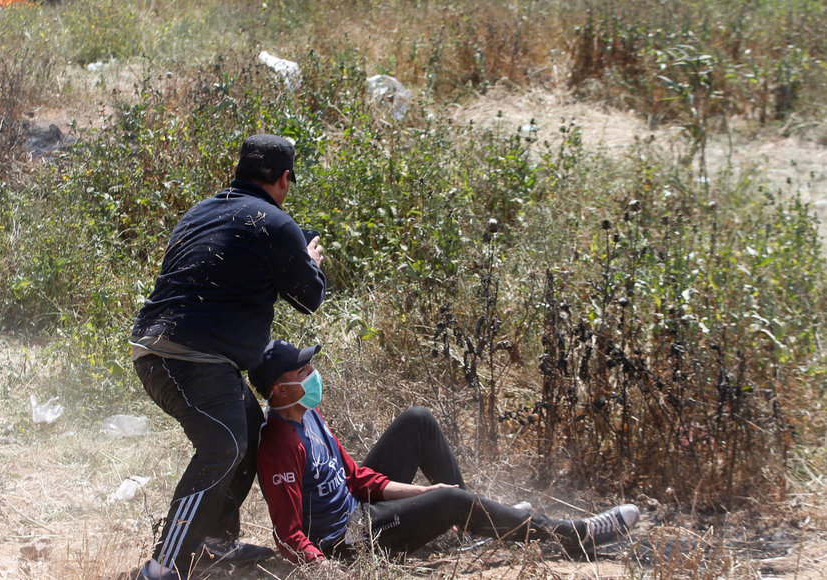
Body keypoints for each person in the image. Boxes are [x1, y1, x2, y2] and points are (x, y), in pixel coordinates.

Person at [250, 340, 640, 567]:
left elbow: (355, 478)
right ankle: (573, 534)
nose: (312, 372)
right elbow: (288, 536)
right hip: (348, 541)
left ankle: (468, 520)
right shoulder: (279, 446)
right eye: (302, 371)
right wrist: (331, 571)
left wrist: (420, 493)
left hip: (359, 508)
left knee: (418, 421)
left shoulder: (309, 413)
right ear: (280, 391)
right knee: (451, 498)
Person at [130, 135, 326, 580]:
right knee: (223, 444)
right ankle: (163, 567)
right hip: (186, 357)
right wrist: (309, 260)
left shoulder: (200, 211)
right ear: (284, 179)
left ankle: (213, 544)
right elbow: (309, 298)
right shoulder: (276, 223)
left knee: (250, 431)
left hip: (169, 349)